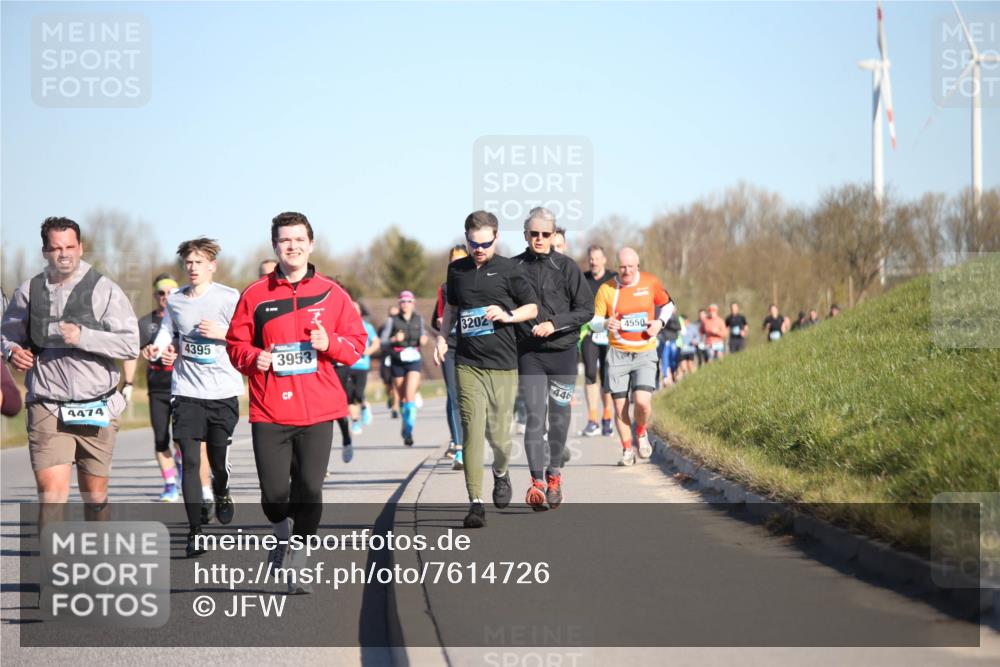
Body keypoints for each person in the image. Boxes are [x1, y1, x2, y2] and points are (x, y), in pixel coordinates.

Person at [227, 211, 367, 592]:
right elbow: (235, 345)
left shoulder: (332, 294)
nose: (292, 246)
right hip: (270, 408)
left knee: (309, 488)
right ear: (275, 245)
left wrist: (330, 344)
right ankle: (280, 533)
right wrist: (252, 357)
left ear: (311, 244)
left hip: (319, 408)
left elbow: (356, 346)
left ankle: (301, 556)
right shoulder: (255, 295)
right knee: (274, 495)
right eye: (285, 240)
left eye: (299, 239)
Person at [1, 217, 139, 520]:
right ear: (44, 251)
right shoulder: (29, 291)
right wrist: (12, 352)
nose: (63, 254)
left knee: (95, 497)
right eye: (55, 248)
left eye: (70, 247)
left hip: (97, 405)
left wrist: (84, 336)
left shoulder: (105, 290)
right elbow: (8, 334)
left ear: (81, 247)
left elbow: (130, 344)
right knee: (51, 497)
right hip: (48, 405)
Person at [433, 211, 538, 529]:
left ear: (496, 238)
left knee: (499, 437)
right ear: (466, 239)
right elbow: (451, 309)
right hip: (468, 363)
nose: (479, 249)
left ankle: (501, 472)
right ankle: (475, 502)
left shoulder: (509, 270)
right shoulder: (457, 271)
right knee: (472, 430)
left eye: (485, 243)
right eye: (473, 243)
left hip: (503, 365)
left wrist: (508, 316)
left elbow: (532, 307)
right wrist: (441, 338)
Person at [148, 239, 243, 557]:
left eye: (199, 262)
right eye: (188, 262)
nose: (192, 267)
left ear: (212, 266)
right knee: (189, 461)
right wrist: (158, 347)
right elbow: (166, 330)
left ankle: (223, 490)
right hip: (187, 391)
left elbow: (248, 336)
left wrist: (223, 334)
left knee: (217, 460)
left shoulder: (229, 297)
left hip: (223, 391)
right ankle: (195, 532)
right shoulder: (175, 300)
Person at [513, 208, 593, 510]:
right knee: (534, 418)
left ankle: (554, 476)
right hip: (530, 355)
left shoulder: (567, 267)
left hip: (562, 355)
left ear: (554, 235)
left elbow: (586, 310)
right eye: (534, 234)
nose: (540, 239)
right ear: (525, 235)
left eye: (545, 234)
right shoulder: (513, 267)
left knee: (559, 420)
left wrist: (554, 323)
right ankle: (535, 484)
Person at [590, 248, 675, 466]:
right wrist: (605, 323)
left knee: (642, 402)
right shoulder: (607, 289)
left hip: (645, 350)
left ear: (638, 265)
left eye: (630, 267)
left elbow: (668, 305)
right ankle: (627, 450)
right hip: (617, 353)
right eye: (622, 267)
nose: (626, 271)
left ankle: (641, 431)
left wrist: (659, 323)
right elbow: (594, 321)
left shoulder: (650, 282)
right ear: (618, 266)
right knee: (620, 408)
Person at [131, 274, 194, 503]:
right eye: (161, 293)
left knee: (180, 438)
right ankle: (169, 485)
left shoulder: (184, 319)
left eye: (170, 292)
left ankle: (179, 462)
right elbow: (133, 352)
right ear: (155, 295)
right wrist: (144, 353)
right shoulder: (146, 323)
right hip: (157, 388)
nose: (165, 297)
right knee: (160, 438)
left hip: (182, 386)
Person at [433, 245, 469, 469]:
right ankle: (459, 447)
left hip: (472, 346)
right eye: (452, 260)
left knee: (469, 398)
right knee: (453, 396)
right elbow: (437, 317)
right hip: (451, 345)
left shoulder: (477, 283)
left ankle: (471, 441)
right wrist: (440, 329)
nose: (456, 264)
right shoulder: (445, 288)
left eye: (460, 260)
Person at [579, 245, 618, 437]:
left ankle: (607, 418)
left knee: (607, 375)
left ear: (604, 260)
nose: (593, 262)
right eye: (591, 259)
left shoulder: (613, 279)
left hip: (609, 332)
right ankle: (592, 419)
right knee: (589, 374)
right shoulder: (583, 279)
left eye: (597, 258)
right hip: (589, 332)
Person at [382, 290, 427, 446]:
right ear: (399, 304)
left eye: (408, 301)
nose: (405, 304)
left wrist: (424, 338)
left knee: (409, 395)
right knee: (401, 398)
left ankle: (409, 430)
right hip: (398, 360)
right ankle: (405, 424)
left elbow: (424, 334)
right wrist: (394, 339)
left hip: (414, 359)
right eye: (402, 302)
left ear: (413, 303)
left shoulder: (418, 319)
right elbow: (382, 341)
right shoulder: (392, 320)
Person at [335, 300, 379, 456]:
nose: (353, 310)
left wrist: (368, 351)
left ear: (360, 311)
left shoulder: (367, 327)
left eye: (356, 308)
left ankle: (365, 405)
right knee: (348, 395)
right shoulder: (340, 325)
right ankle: (355, 422)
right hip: (347, 365)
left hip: (361, 365)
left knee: (358, 394)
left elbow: (376, 343)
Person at [379, 304, 401, 419]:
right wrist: (391, 340)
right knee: (388, 383)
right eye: (391, 315)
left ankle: (395, 408)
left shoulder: (402, 327)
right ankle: (391, 398)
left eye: (395, 315)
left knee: (395, 383)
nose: (393, 318)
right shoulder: (384, 327)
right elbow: (380, 343)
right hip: (386, 357)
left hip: (397, 357)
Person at [658, 311, 682, 386]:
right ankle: (666, 378)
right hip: (665, 341)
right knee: (665, 359)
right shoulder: (661, 316)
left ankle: (674, 375)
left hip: (673, 341)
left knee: (673, 359)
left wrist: (669, 324)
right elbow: (659, 329)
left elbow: (679, 327)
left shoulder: (675, 317)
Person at [677, 314, 699, 379]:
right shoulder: (679, 328)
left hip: (690, 350)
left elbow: (697, 336)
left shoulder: (693, 327)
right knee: (683, 367)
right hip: (682, 350)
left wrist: (696, 340)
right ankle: (686, 379)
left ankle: (694, 378)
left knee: (690, 365)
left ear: (687, 320)